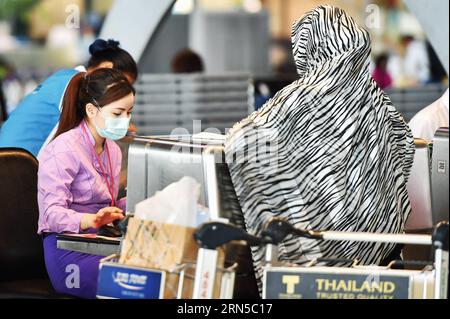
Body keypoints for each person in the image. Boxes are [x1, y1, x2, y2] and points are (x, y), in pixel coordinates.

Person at [224, 5, 415, 292]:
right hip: (379, 261)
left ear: (306, 48)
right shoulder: (379, 103)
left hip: (314, 265)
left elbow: (243, 141)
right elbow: (404, 151)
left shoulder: (296, 101)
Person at [37, 68, 135, 299]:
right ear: (91, 110)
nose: (126, 121)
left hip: (102, 241)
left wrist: (139, 200)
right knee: (135, 283)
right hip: (68, 251)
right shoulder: (63, 150)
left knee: (159, 270)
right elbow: (51, 214)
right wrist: (90, 219)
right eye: (118, 113)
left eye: (129, 112)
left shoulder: (111, 148)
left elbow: (106, 202)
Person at [0, 39, 137, 157]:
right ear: (107, 67)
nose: (122, 93)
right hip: (18, 164)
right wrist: (120, 126)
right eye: (122, 83)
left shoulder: (65, 76)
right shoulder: (78, 83)